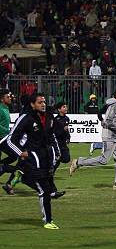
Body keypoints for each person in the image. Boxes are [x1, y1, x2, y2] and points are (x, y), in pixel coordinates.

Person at [6, 93, 63, 229]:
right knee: (44, 190)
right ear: (32, 105)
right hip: (32, 160)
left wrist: (57, 152)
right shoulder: (26, 118)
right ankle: (48, 221)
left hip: (47, 159)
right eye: (39, 102)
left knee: (47, 189)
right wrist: (21, 152)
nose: (43, 104)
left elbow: (52, 136)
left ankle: (22, 177)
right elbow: (10, 139)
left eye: (44, 101)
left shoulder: (49, 116)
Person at [70, 90, 116, 190]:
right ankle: (78, 162)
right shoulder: (114, 106)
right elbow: (107, 121)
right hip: (109, 136)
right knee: (104, 160)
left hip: (114, 136)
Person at [0, 89, 16, 194]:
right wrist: (7, 131)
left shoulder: (6, 108)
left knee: (14, 155)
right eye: (7, 96)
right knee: (15, 155)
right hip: (1, 139)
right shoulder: (0, 109)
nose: (10, 98)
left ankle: (1, 166)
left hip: (5, 138)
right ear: (2, 99)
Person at [52, 102, 71, 173]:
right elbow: (55, 133)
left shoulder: (67, 118)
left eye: (66, 107)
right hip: (57, 142)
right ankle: (51, 170)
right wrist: (63, 130)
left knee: (66, 159)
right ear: (59, 109)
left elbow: (67, 130)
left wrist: (68, 137)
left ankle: (53, 163)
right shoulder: (56, 120)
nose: (66, 108)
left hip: (63, 142)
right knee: (60, 157)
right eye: (63, 107)